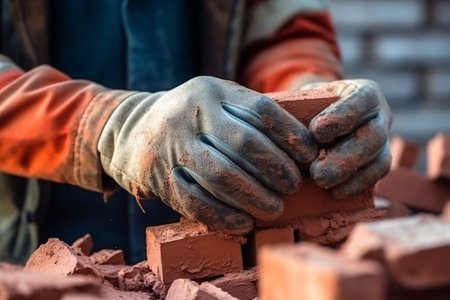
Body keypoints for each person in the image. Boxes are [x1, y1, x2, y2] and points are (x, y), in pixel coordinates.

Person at [0, 0, 392, 264]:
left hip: (236, 245)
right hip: (27, 246)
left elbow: (281, 28)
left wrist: (308, 97)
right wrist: (110, 126)